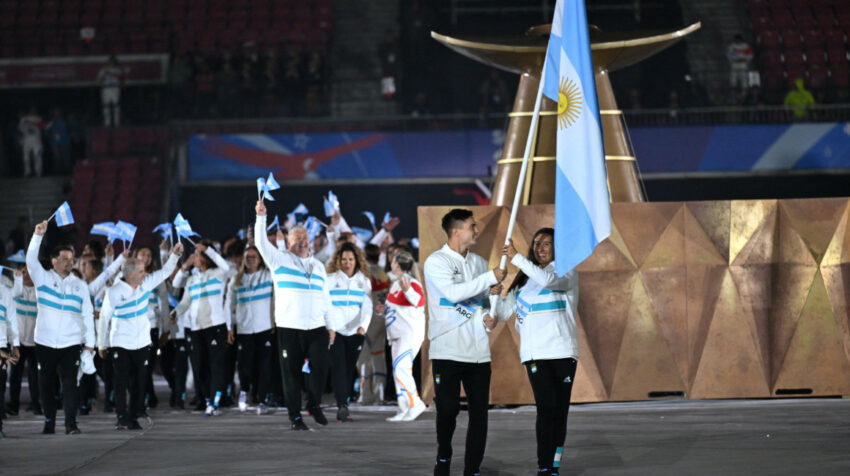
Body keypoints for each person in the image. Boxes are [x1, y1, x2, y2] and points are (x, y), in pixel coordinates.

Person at [423, 208, 506, 476]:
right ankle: (444, 456)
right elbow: (453, 293)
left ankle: (473, 469)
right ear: (457, 230)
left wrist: (491, 313)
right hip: (447, 349)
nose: (476, 230)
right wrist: (490, 279)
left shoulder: (480, 263)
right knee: (447, 411)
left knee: (479, 416)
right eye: (472, 226)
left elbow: (483, 302)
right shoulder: (436, 262)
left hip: (479, 352)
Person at [492, 229, 579, 476]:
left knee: (559, 411)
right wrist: (495, 298)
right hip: (535, 354)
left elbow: (549, 281)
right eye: (537, 243)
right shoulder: (525, 279)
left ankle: (555, 464)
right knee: (546, 407)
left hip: (562, 352)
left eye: (547, 243)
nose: (540, 247)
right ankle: (543, 465)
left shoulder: (566, 272)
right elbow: (503, 314)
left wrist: (518, 258)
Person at [254, 200, 334, 431]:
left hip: (318, 327)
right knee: (291, 376)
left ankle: (314, 403)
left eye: (304, 238)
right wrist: (261, 217)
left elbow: (326, 299)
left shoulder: (318, 266)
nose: (302, 242)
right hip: (290, 328)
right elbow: (260, 243)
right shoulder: (278, 260)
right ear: (288, 243)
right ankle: (295, 417)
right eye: (297, 239)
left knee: (320, 368)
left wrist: (331, 326)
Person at [98, 244, 183, 430]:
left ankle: (134, 416)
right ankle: (121, 416)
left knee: (140, 382)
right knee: (121, 383)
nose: (145, 274)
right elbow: (104, 318)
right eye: (141, 271)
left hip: (142, 343)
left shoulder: (146, 284)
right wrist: (102, 344)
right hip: (120, 343)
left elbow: (165, 271)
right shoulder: (114, 292)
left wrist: (175, 255)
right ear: (130, 274)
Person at [27, 220, 96, 435]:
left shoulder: (80, 286)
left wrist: (90, 344)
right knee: (46, 385)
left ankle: (70, 424)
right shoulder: (42, 279)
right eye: (65, 259)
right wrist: (37, 236)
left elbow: (87, 315)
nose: (69, 262)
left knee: (70, 385)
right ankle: (49, 422)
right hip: (45, 342)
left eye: (72, 259)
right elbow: (30, 260)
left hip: (71, 342)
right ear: (53, 260)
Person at [173, 240, 234, 416]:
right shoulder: (193, 278)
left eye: (198, 254)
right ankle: (207, 399)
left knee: (216, 366)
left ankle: (214, 402)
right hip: (196, 328)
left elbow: (225, 266)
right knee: (199, 367)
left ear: (206, 257)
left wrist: (208, 249)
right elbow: (181, 293)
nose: (195, 256)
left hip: (215, 326)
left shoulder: (218, 274)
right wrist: (175, 313)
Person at [225, 245, 275, 415]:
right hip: (244, 330)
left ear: (260, 259)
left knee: (264, 367)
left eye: (254, 256)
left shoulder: (268, 276)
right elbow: (228, 306)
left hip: (265, 328)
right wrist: (229, 327)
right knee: (245, 366)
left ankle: (262, 399)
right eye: (248, 256)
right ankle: (244, 392)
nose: (251, 259)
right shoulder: (236, 280)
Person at [326, 242, 372, 422]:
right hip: (334, 332)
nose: (347, 263)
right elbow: (325, 305)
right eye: (344, 259)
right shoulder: (330, 279)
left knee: (348, 369)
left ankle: (344, 402)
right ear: (338, 260)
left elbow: (367, 307)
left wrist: (363, 327)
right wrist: (329, 327)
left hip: (355, 333)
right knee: (338, 368)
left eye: (350, 259)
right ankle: (341, 406)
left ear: (356, 261)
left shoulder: (364, 282)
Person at [381, 250, 427, 422]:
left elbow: (419, 301)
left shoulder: (411, 282)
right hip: (396, 334)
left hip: (409, 334)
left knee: (401, 368)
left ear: (397, 265)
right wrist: (382, 311)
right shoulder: (396, 283)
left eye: (392, 262)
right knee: (398, 371)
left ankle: (415, 404)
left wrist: (408, 291)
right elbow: (396, 309)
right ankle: (404, 408)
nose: (390, 264)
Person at [357, 244, 390, 404]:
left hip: (371, 320)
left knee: (363, 358)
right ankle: (380, 395)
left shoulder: (365, 274)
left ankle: (366, 395)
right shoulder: (383, 274)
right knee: (378, 356)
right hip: (383, 319)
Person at [7, 264, 41, 416]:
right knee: (15, 375)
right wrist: (18, 279)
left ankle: (36, 404)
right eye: (23, 272)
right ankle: (14, 405)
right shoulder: (16, 290)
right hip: (18, 341)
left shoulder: (39, 292)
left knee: (35, 376)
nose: (26, 274)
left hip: (34, 341)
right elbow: (15, 293)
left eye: (28, 272)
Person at [0, 267, 21, 437]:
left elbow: (12, 319)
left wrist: (15, 345)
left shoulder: (5, 291)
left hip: (2, 345)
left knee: (0, 387)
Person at [97, 55, 124, 126]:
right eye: (110, 61)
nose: (111, 63)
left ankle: (117, 123)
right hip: (106, 89)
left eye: (113, 61)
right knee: (106, 107)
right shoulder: (103, 70)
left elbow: (121, 78)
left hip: (115, 89)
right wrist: (102, 80)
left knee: (116, 107)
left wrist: (111, 74)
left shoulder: (118, 69)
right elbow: (99, 80)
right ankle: (107, 124)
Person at [18, 107, 44, 177]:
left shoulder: (39, 118)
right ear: (29, 111)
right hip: (27, 140)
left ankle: (38, 172)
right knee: (26, 156)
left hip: (36, 140)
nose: (33, 111)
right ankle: (27, 172)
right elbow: (20, 130)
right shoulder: (24, 119)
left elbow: (42, 127)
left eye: (34, 110)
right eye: (32, 110)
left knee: (37, 156)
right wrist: (20, 140)